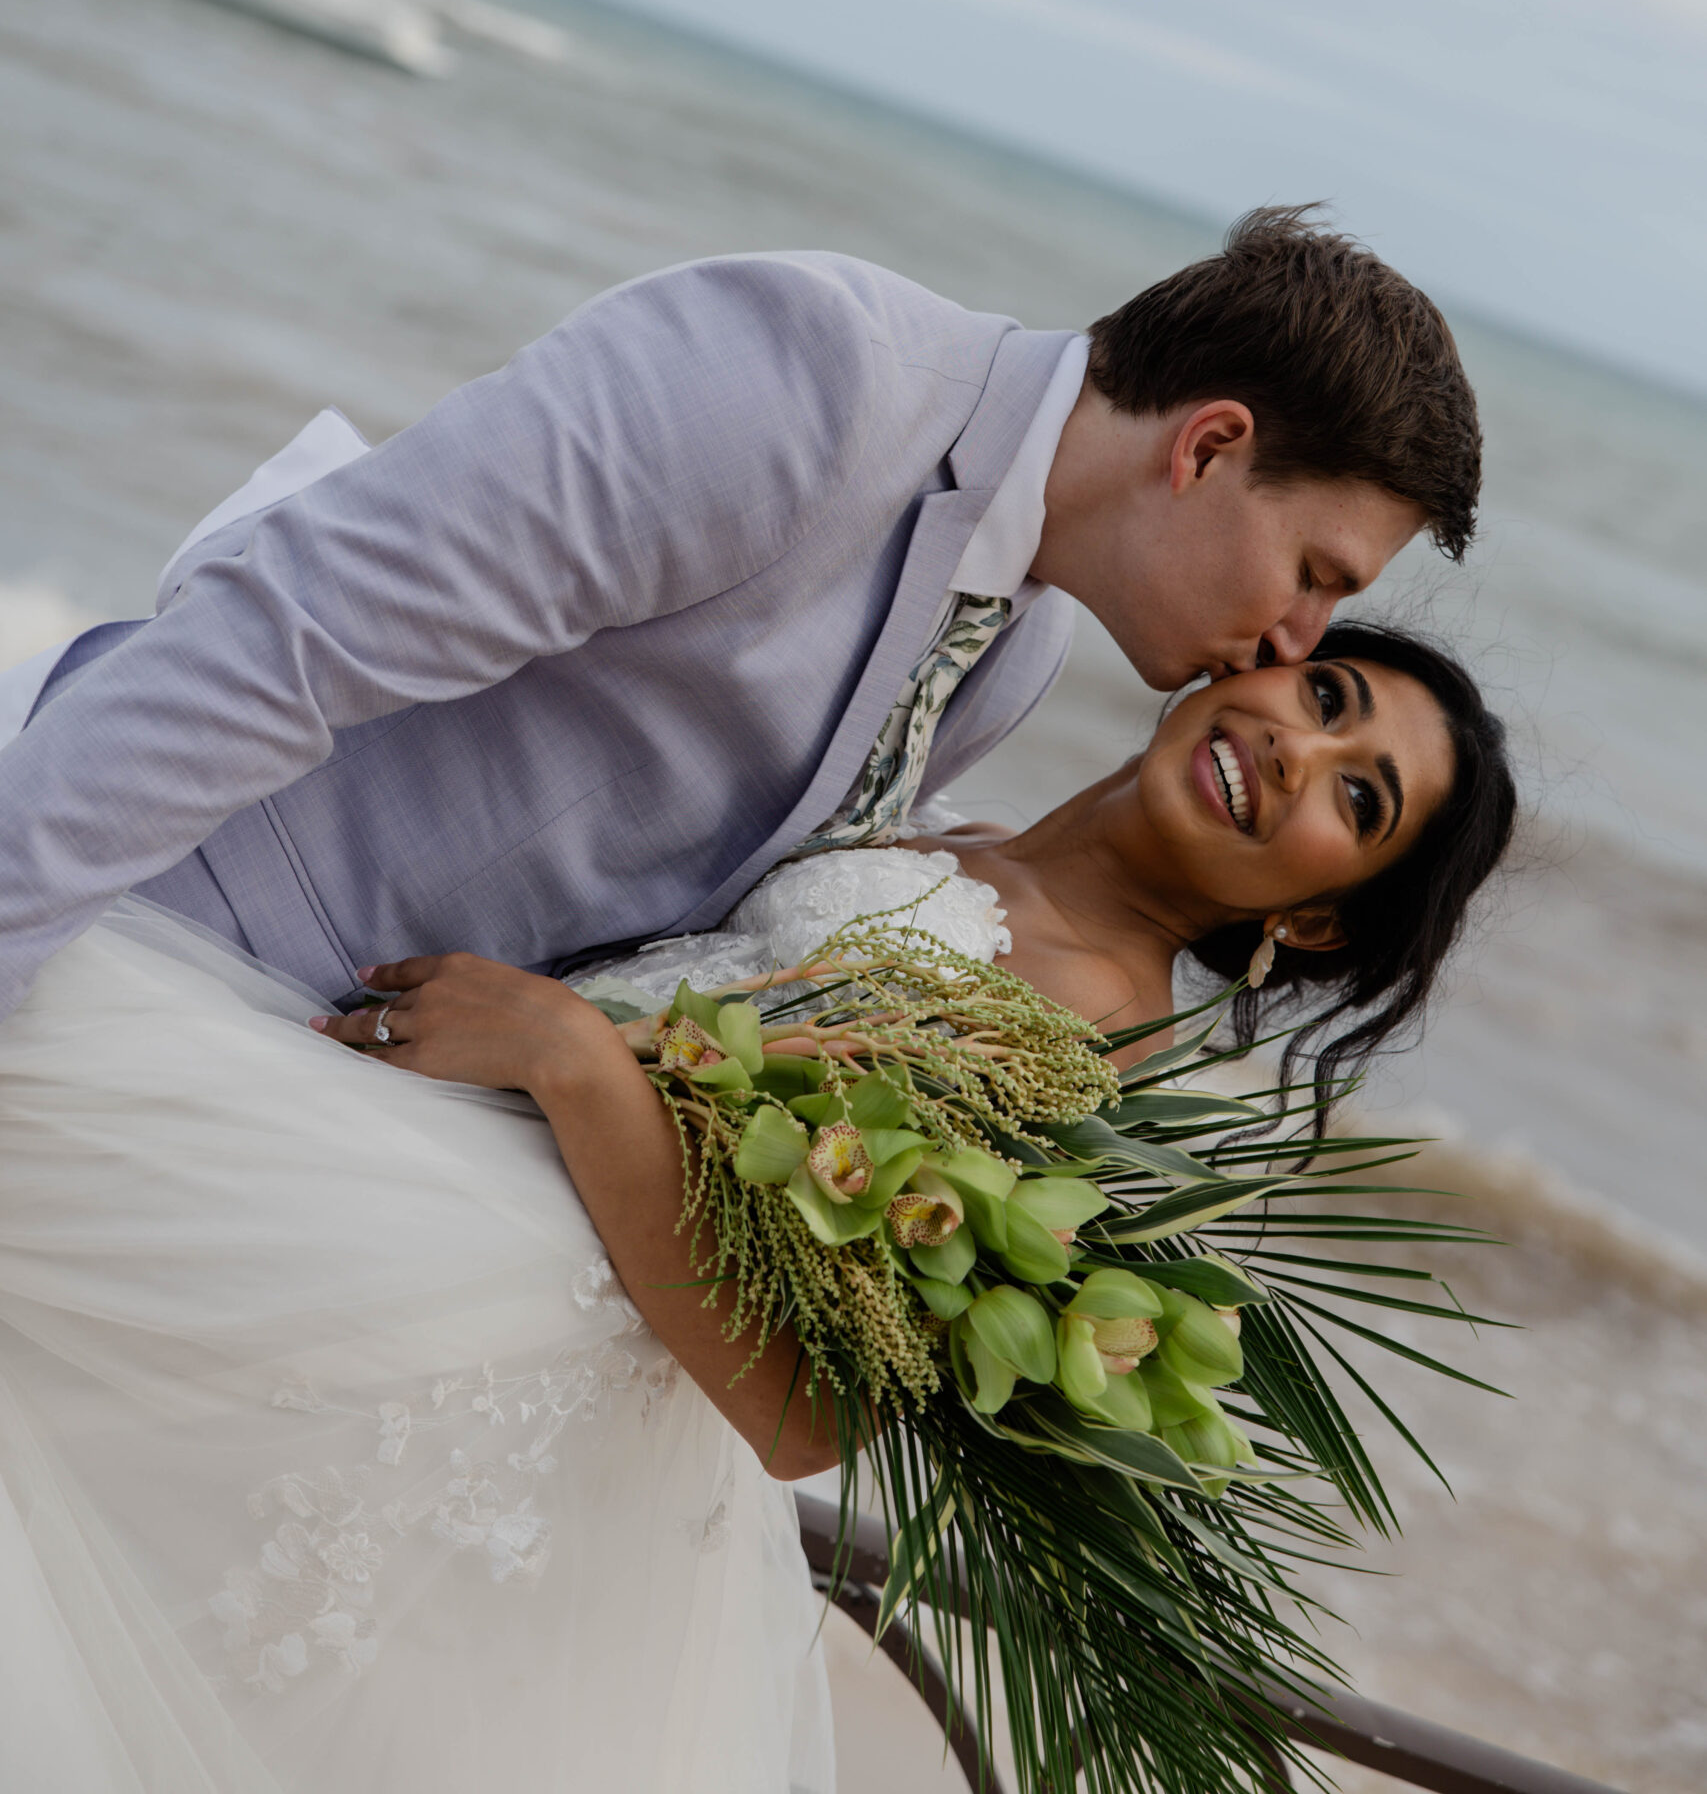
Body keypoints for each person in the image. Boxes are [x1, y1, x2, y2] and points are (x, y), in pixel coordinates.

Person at [0, 622, 1514, 1792]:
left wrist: (573, 1059)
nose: (1302, 754)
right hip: (435, 1173)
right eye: (1331, 700)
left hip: (484, 1299)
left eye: (1359, 798)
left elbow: (805, 1416)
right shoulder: (966, 825)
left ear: (1312, 915)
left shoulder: (1076, 1041)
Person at [0, 209, 1481, 1020]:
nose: (1301, 646)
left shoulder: (1013, 657)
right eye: (1318, 576)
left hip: (349, 1083)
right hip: (149, 930)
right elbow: (286, 636)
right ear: (1211, 447)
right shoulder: (814, 377)